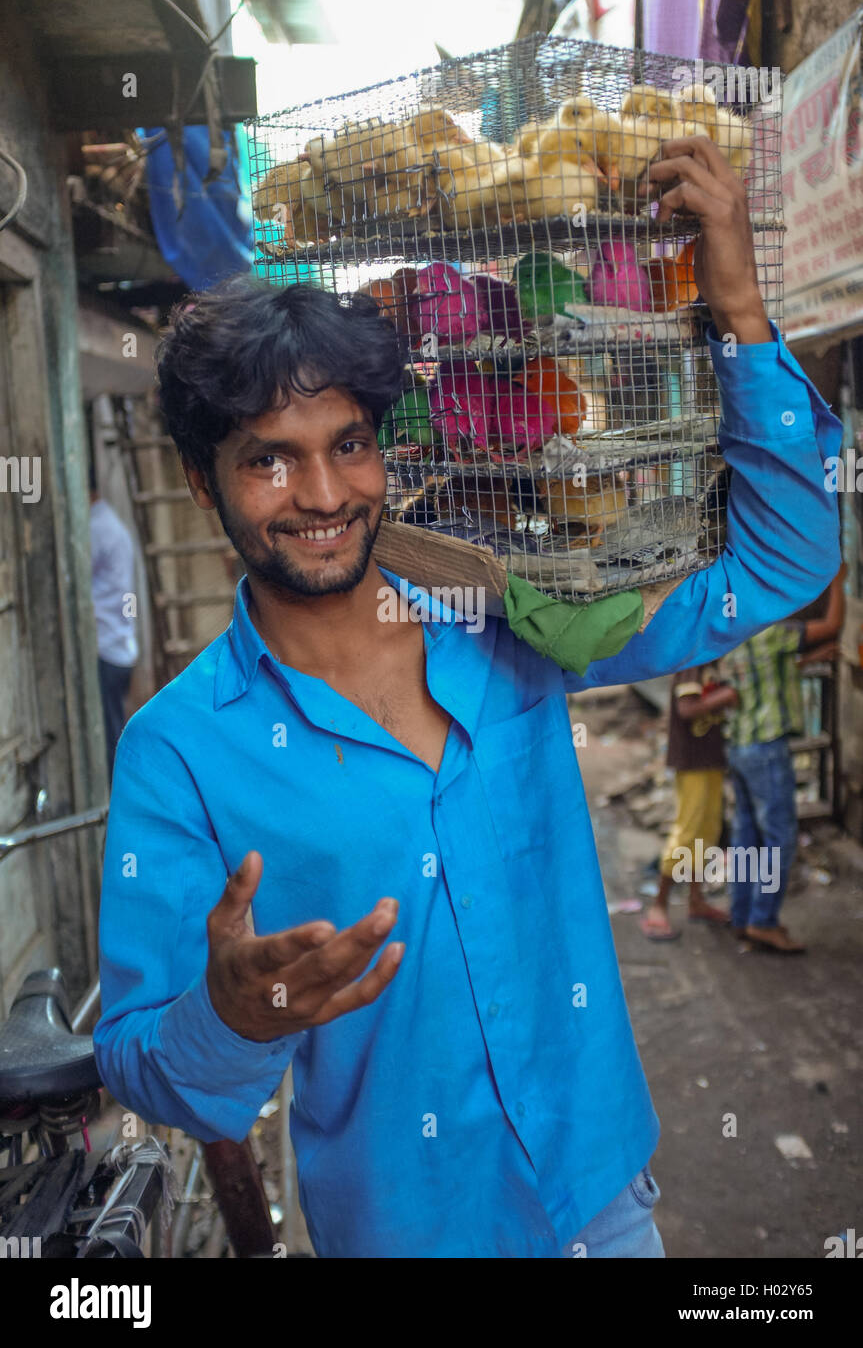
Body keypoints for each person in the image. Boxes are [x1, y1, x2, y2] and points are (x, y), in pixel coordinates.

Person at [93, 138, 841, 1259]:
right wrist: (239, 1016)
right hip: (408, 1230)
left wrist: (735, 307)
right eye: (269, 460)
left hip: (602, 1200)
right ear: (205, 482)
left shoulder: (507, 615)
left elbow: (783, 559)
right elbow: (146, 1062)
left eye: (348, 444)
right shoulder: (177, 751)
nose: (322, 493)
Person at [721, 570, 846, 954]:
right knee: (779, 838)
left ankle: (742, 915)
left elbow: (767, 676)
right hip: (765, 747)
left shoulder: (730, 634)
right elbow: (832, 624)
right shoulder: (773, 633)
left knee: (746, 838)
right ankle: (764, 921)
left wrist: (810, 659)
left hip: (739, 745)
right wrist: (838, 582)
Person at [641, 663, 737, 942]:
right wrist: (726, 696)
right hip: (692, 762)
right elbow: (686, 709)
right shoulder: (692, 663)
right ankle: (658, 906)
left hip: (710, 759)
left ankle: (696, 900)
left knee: (707, 830)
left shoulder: (712, 664)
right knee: (686, 831)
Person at [89, 471, 138, 781]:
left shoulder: (96, 529)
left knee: (109, 742)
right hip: (121, 647)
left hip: (107, 647)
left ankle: (121, 803)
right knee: (113, 732)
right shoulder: (112, 525)